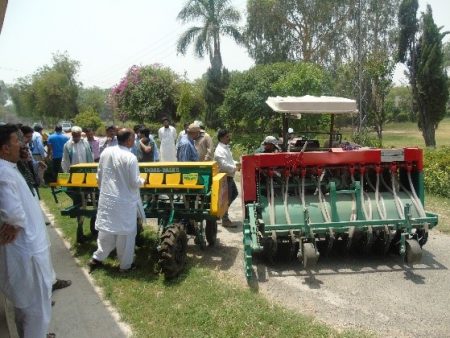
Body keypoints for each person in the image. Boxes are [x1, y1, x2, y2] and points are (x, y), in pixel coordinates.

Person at [0, 124, 55, 338]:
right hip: (27, 250)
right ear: (5, 148)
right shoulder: (4, 174)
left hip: (27, 249)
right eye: (16, 141)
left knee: (28, 308)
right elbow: (13, 214)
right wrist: (13, 225)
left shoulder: (9, 168)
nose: (20, 145)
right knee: (35, 308)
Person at [88, 128, 145, 273]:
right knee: (125, 235)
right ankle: (126, 266)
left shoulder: (106, 152)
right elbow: (134, 182)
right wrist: (143, 181)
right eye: (133, 138)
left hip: (107, 199)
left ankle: (97, 258)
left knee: (106, 231)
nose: (134, 140)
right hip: (123, 202)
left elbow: (99, 176)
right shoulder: (130, 157)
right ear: (129, 140)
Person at [214, 129, 240, 228]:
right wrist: (235, 168)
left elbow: (229, 160)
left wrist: (236, 163)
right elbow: (223, 165)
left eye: (229, 136)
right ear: (221, 138)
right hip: (225, 177)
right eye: (227, 137)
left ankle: (223, 213)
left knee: (234, 194)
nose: (229, 138)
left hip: (229, 176)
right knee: (227, 198)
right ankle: (225, 218)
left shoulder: (225, 148)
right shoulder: (219, 150)